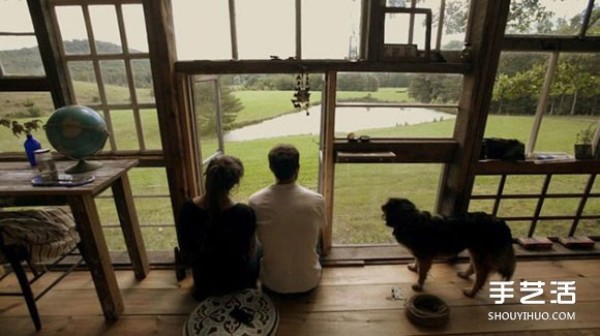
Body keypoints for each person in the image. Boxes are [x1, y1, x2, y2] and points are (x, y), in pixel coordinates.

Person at [177, 154, 258, 300]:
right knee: (260, 246)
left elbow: (186, 249)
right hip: (237, 283)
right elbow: (249, 251)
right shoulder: (244, 214)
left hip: (204, 283)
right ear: (234, 184)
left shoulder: (187, 210)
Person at [249, 144, 326, 295]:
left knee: (259, 244)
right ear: (298, 168)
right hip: (309, 282)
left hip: (272, 285)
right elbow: (319, 234)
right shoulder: (317, 200)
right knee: (313, 241)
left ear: (271, 168)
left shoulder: (255, 201)